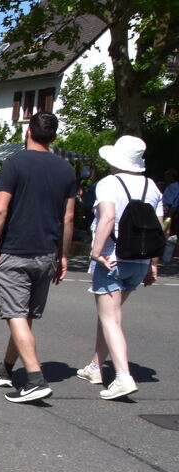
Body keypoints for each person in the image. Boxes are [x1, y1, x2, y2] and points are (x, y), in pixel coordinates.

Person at [0, 111, 76, 403]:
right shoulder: (66, 169)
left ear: (28, 132)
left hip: (16, 249)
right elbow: (69, 217)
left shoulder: (15, 162)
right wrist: (63, 256)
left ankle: (36, 378)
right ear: (54, 137)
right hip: (47, 252)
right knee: (23, 316)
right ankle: (6, 368)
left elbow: (0, 209)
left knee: (15, 314)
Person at [77, 135, 163, 400]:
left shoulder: (109, 183)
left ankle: (123, 376)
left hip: (112, 257)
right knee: (109, 316)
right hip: (140, 259)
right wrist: (153, 264)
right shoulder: (152, 187)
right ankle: (95, 366)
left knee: (110, 319)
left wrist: (95, 251)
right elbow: (158, 227)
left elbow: (108, 217)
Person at [162, 168, 179, 242]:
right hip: (174, 213)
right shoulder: (177, 185)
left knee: (167, 234)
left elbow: (168, 202)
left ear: (171, 177)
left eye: (166, 176)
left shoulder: (171, 187)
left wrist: (165, 215)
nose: (165, 178)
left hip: (170, 214)